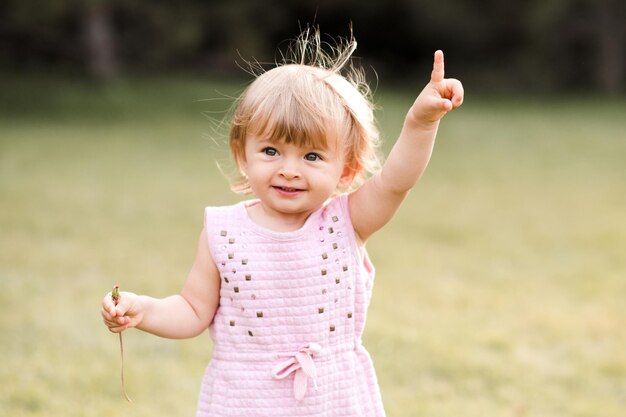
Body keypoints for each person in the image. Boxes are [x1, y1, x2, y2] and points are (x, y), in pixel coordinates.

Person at [101, 28, 463, 417]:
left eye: (312, 157)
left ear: (346, 170)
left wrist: (421, 124)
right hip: (245, 399)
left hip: (333, 396)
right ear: (243, 155)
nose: (289, 170)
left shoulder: (347, 221)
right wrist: (143, 310)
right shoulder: (224, 232)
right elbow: (192, 309)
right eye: (271, 151)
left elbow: (395, 183)